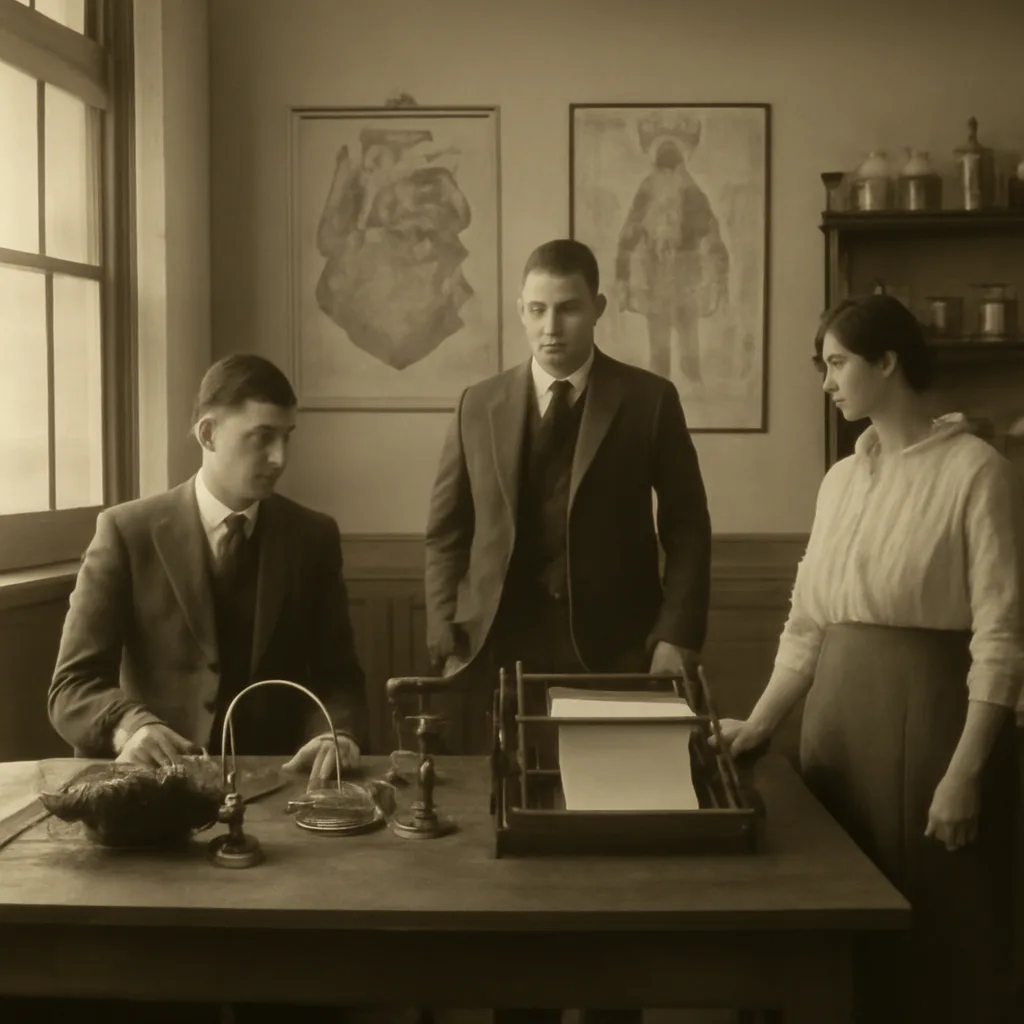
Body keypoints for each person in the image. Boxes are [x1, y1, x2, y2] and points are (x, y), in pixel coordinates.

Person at [424, 238, 713, 1024]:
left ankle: (615, 1010)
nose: (551, 327)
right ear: (521, 311)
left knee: (615, 853)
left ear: (599, 308)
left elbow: (687, 526)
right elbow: (446, 532)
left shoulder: (648, 398)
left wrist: (675, 636)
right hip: (501, 656)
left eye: (569, 308)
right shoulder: (477, 402)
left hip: (617, 653)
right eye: (536, 310)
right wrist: (446, 632)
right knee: (513, 847)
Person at [715, 294, 1023, 1024]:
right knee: (833, 931)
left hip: (930, 735)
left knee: (931, 935)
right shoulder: (841, 480)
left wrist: (963, 773)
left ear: (888, 362)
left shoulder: (976, 470)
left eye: (838, 363)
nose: (826, 381)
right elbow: (808, 624)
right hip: (834, 735)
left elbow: (1003, 638)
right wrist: (760, 725)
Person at [44, 354, 369, 1024]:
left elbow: (339, 675)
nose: (279, 457)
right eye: (261, 438)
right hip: (152, 825)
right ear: (207, 433)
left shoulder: (312, 537)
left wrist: (335, 731)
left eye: (287, 438)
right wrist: (129, 724)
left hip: (281, 821)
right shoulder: (127, 531)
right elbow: (71, 687)